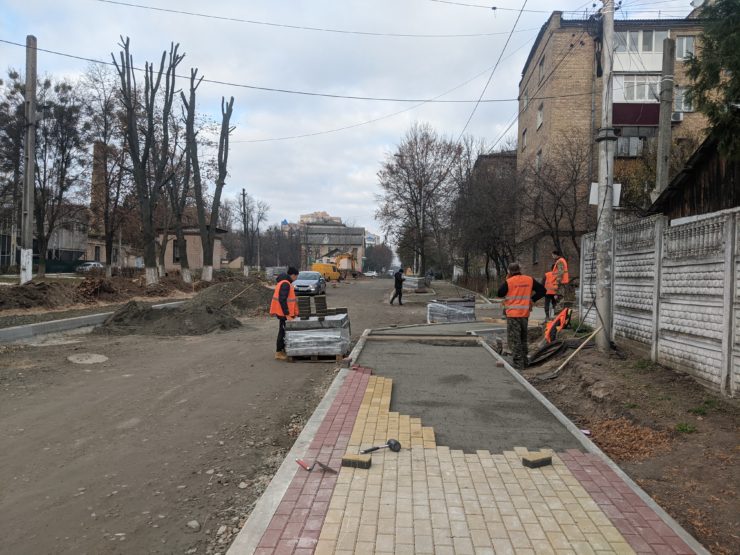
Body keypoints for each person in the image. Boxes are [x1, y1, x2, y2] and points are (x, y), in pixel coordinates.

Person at [497, 262, 546, 370]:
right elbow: (543, 291)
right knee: (523, 339)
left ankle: (518, 365)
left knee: (514, 340)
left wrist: (507, 278)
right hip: (524, 314)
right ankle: (525, 362)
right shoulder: (529, 279)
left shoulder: (509, 281)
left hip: (513, 315)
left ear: (509, 271)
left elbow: (500, 293)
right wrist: (532, 299)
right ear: (520, 269)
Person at [269, 267, 299, 360]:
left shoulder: (284, 282)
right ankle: (278, 352)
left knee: (283, 331)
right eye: (296, 277)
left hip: (282, 312)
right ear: (293, 275)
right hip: (283, 313)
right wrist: (287, 313)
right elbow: (283, 299)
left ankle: (282, 350)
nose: (296, 279)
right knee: (282, 331)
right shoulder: (285, 283)